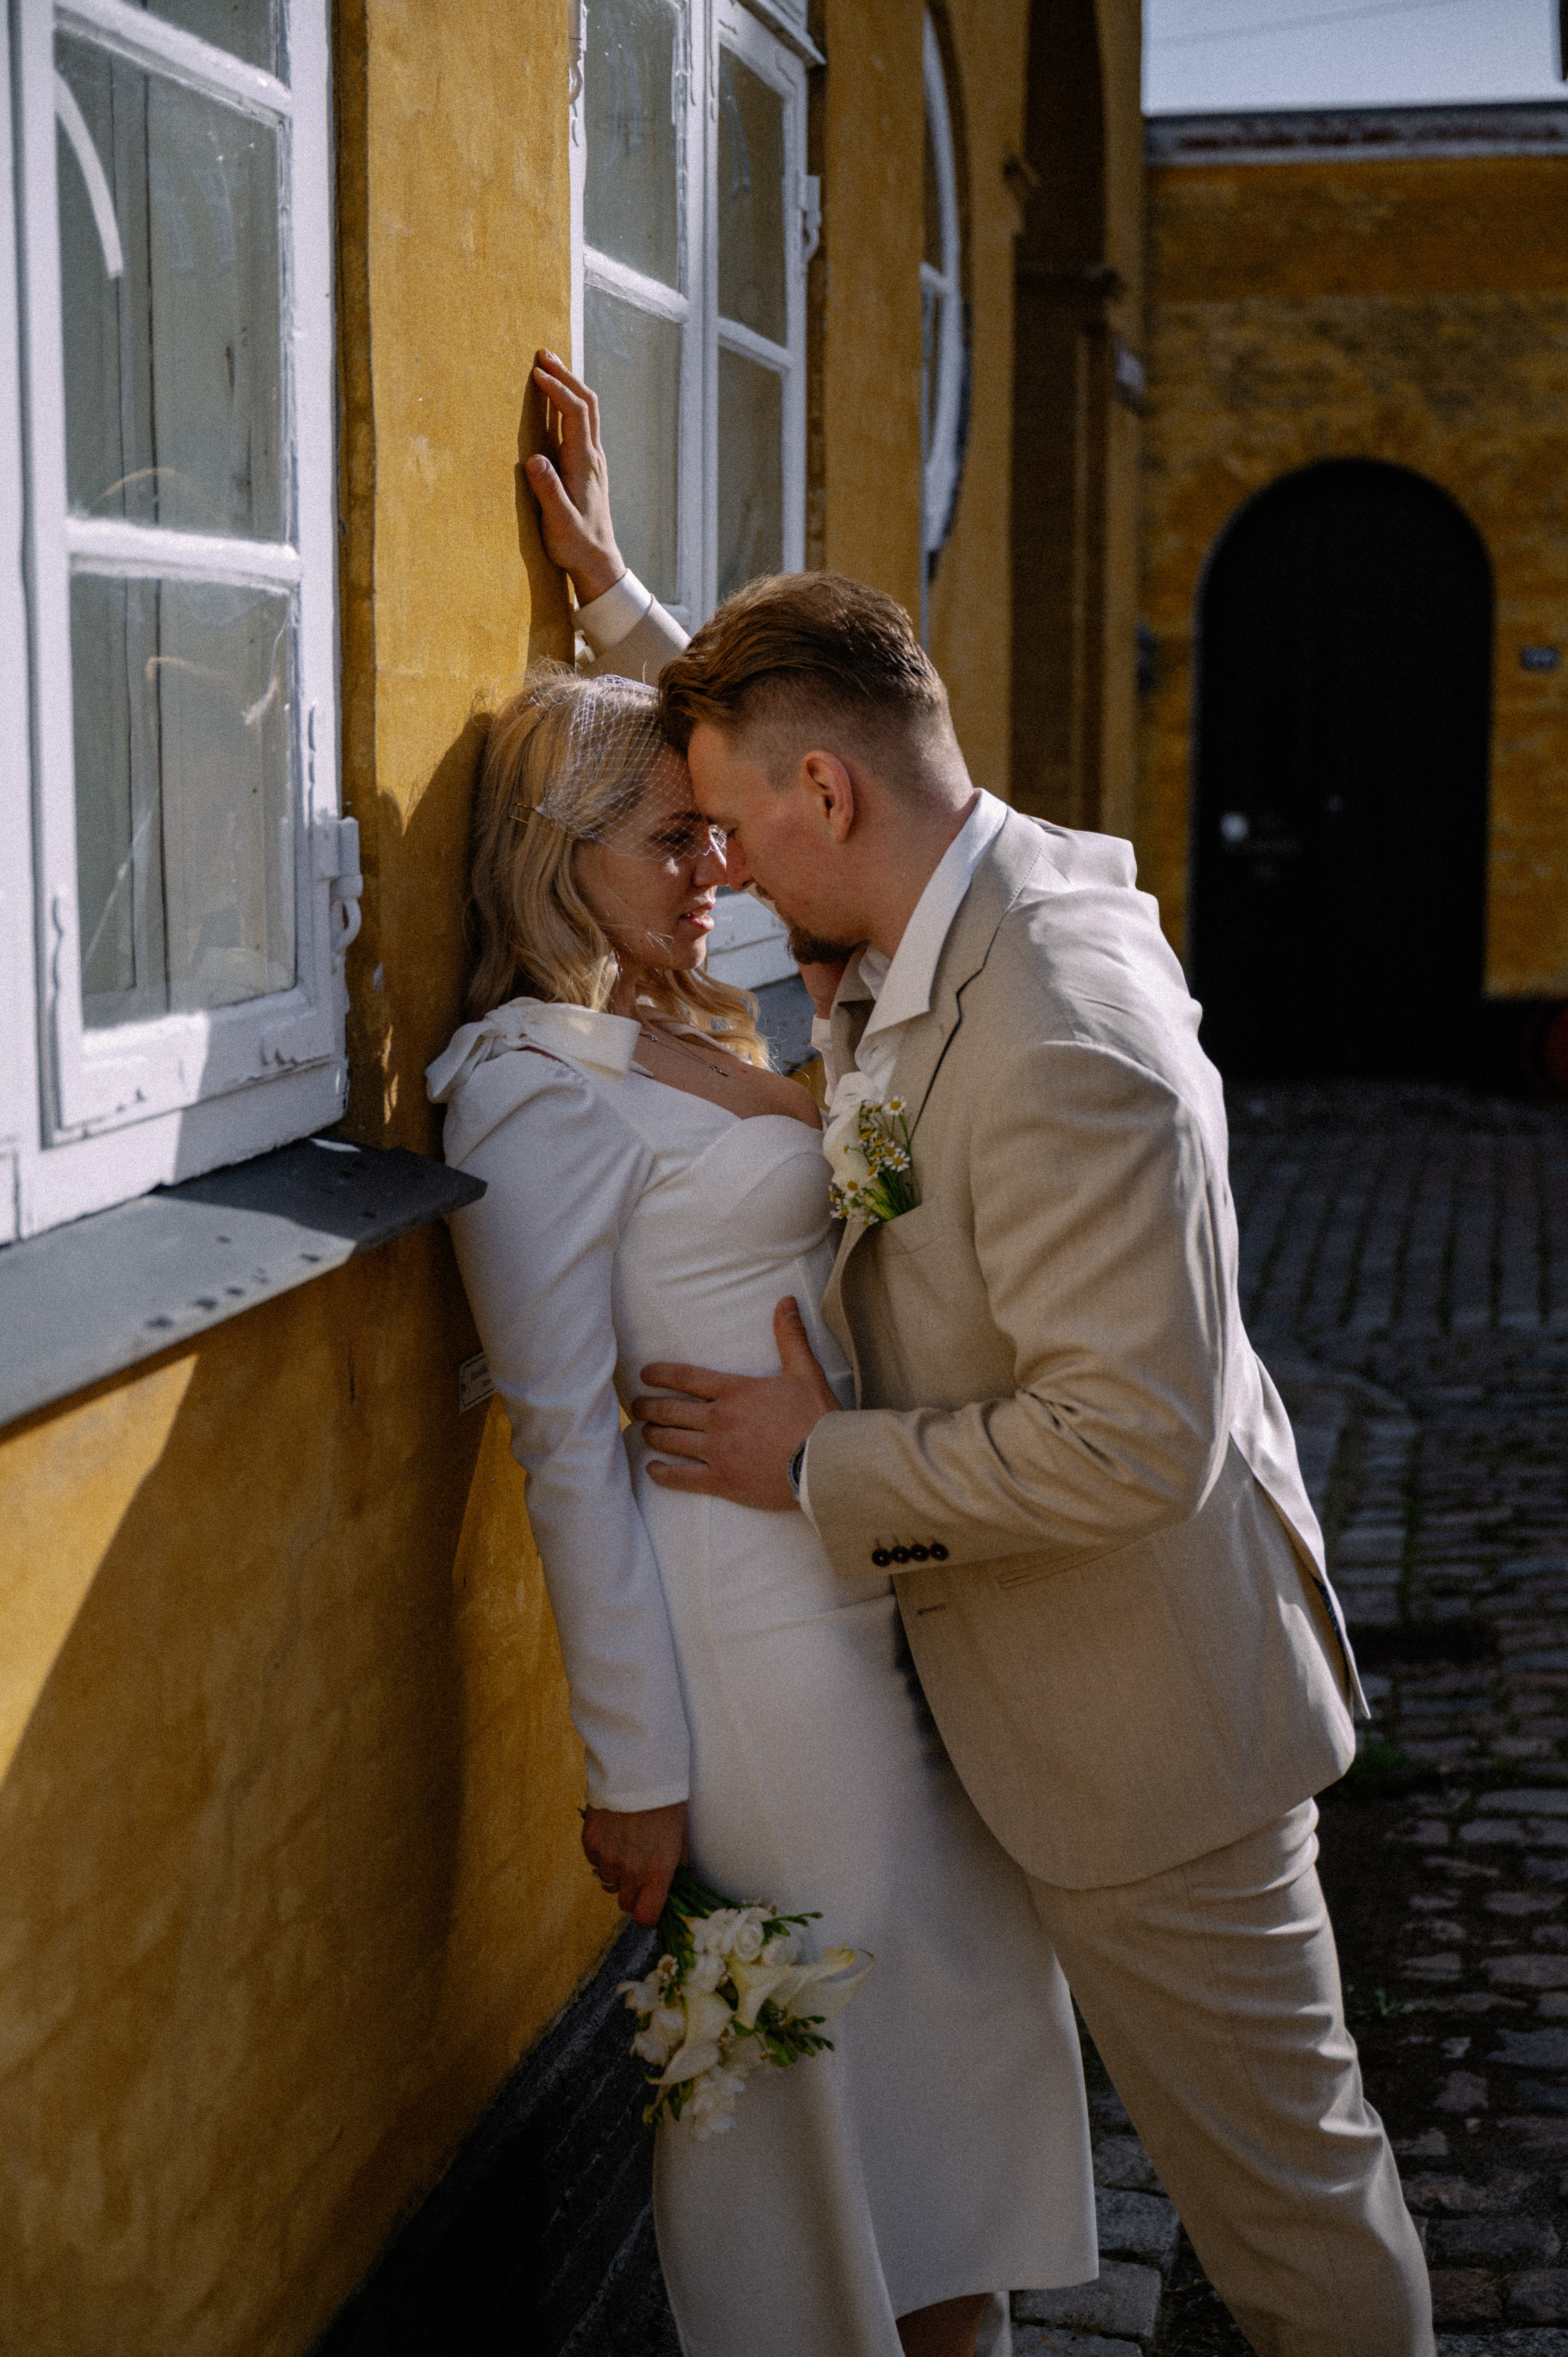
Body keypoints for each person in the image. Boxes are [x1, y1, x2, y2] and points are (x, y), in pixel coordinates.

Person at [521, 384, 1436, 2351]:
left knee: (1289, 2216)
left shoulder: (1068, 1036)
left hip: (1155, 1732)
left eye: (738, 836)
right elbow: (794, 729)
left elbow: (1137, 1444)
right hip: (1000, 1699)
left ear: (830, 800)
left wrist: (815, 1456)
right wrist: (624, 618)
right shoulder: (957, 887)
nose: (730, 882)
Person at [423, 355, 1097, 2357]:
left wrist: (623, 595)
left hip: (882, 1586)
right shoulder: (528, 1089)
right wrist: (630, 1772)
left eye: (716, 842)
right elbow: (560, 1439)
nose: (715, 872)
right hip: (751, 1659)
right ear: (563, 861)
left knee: (959, 2037)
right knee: (830, 2076)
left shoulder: (704, 1013)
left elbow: (823, 783)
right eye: (666, 842)